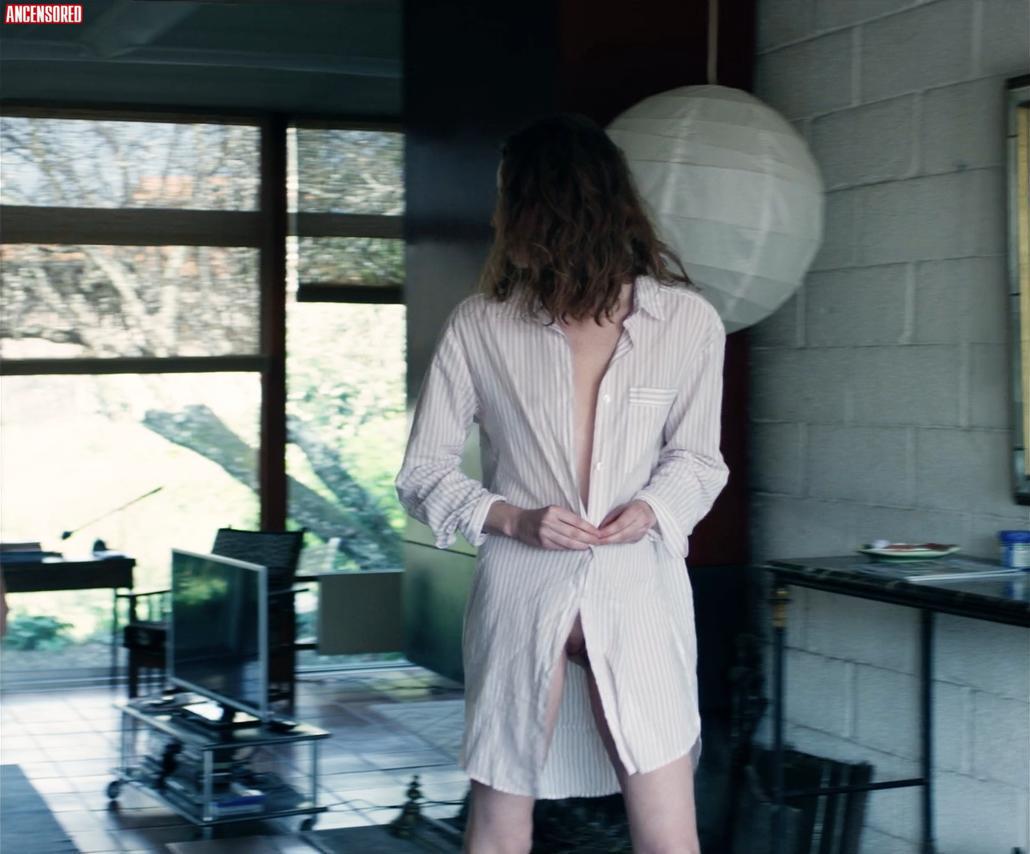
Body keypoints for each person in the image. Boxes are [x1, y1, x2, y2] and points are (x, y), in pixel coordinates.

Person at [395, 112, 729, 854]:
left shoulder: (687, 323)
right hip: (521, 593)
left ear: (538, 209)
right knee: (499, 818)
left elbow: (699, 461)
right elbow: (421, 474)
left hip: (638, 592)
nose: (495, 219)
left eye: (505, 198)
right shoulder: (480, 325)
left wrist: (651, 508)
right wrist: (514, 519)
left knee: (667, 829)